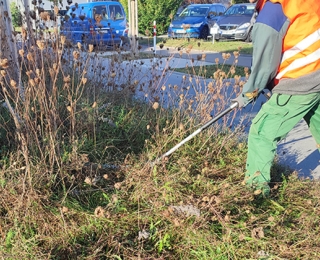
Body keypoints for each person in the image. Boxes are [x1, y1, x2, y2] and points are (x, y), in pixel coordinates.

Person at [232, 0, 320, 197]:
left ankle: (255, 193)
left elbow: (265, 64)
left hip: (301, 80)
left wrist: (248, 94)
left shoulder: (273, 11)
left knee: (261, 132)